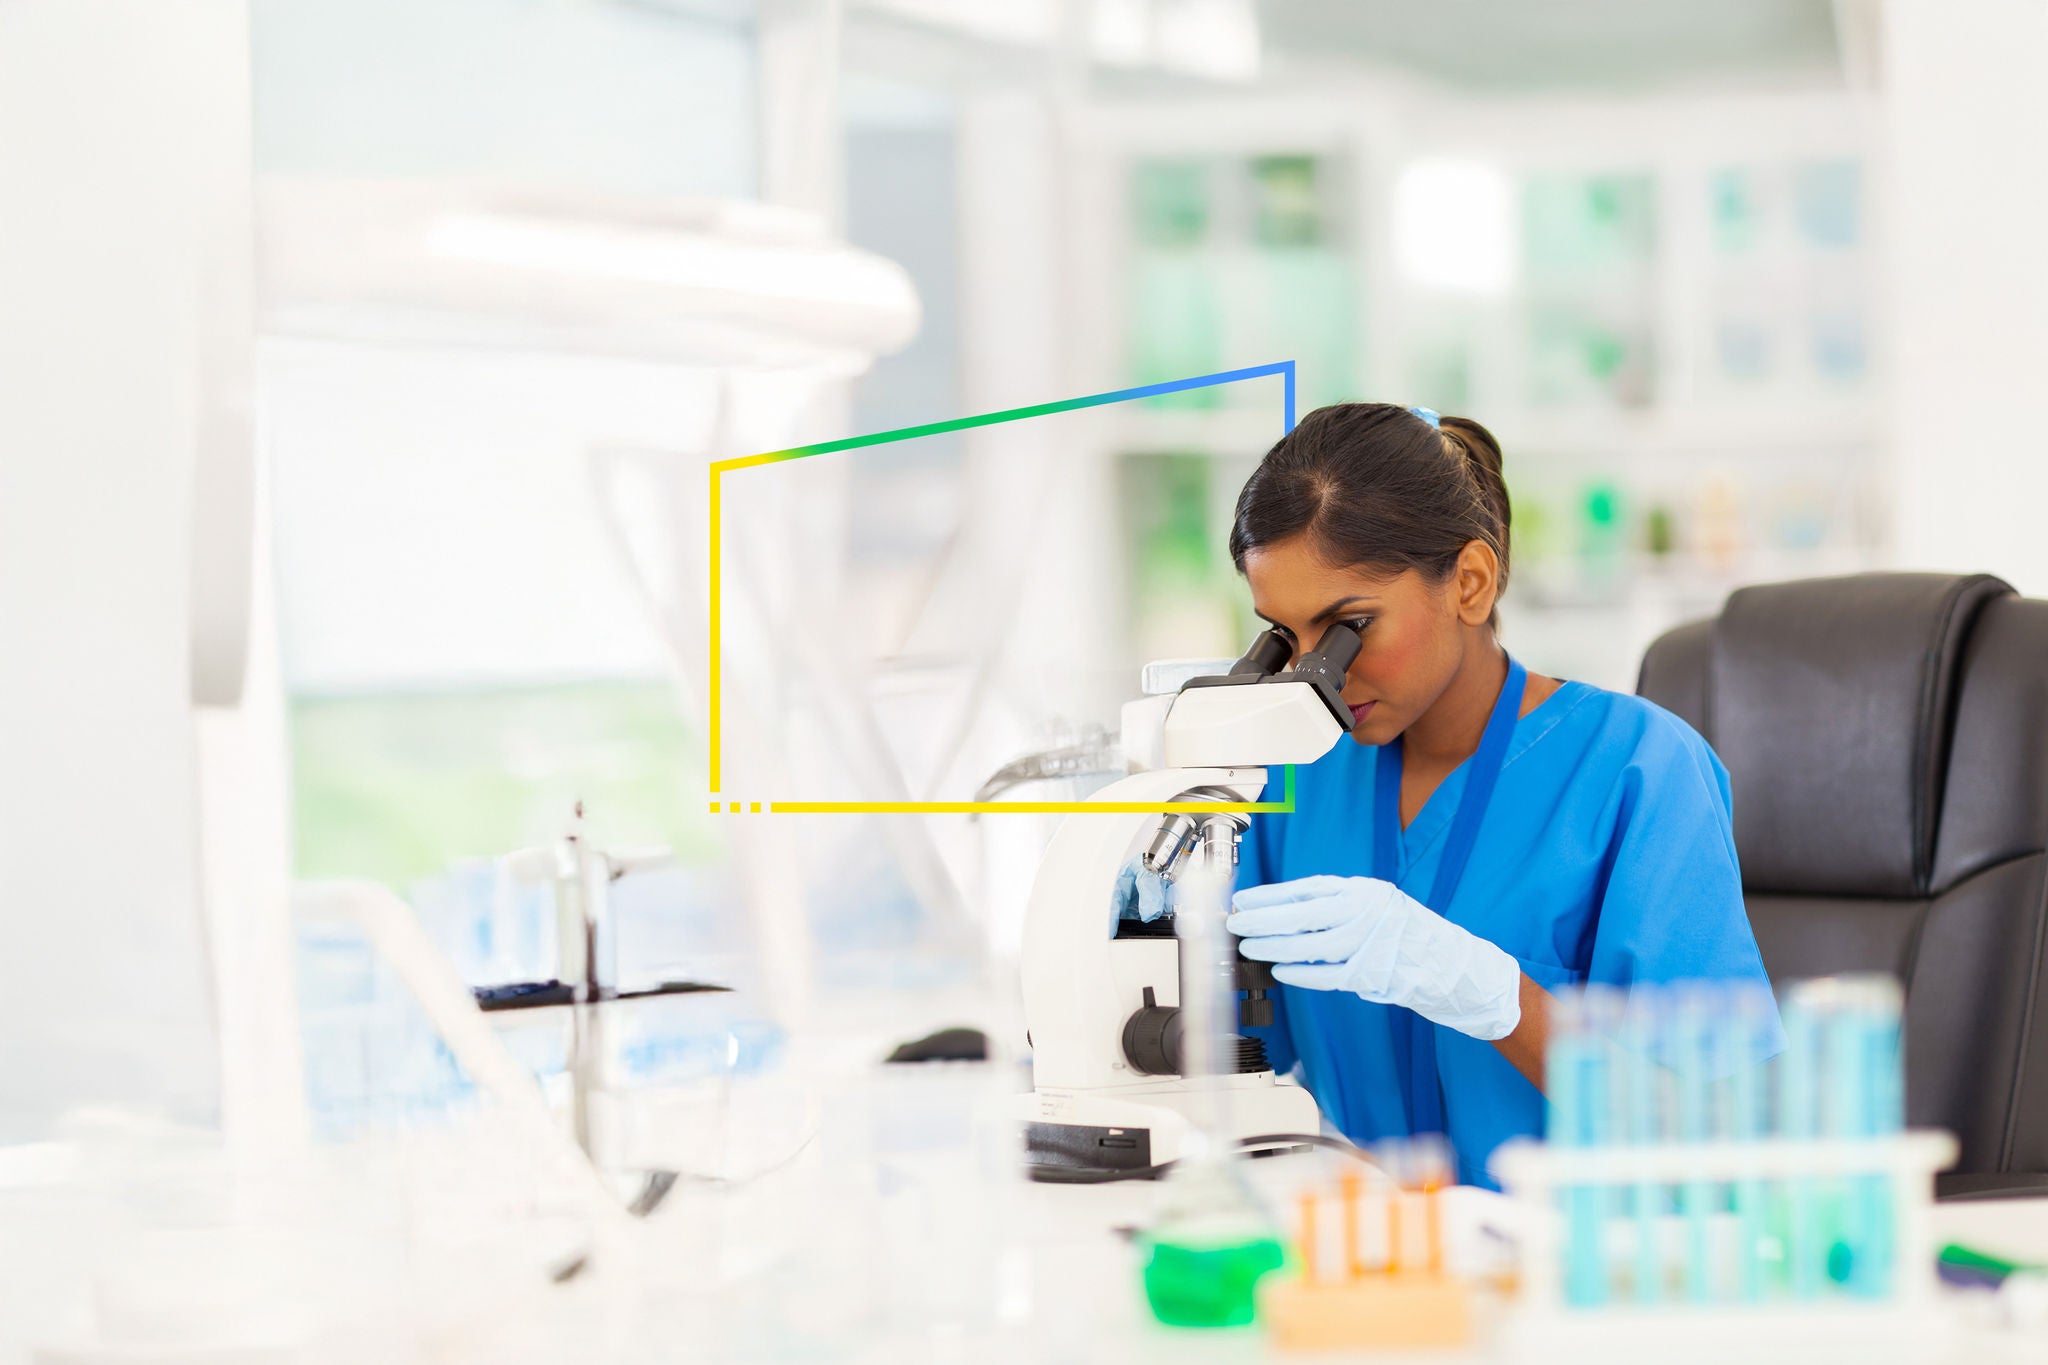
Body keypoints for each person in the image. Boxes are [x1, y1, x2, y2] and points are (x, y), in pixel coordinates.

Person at [1132, 402, 1783, 1187]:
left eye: (1349, 626)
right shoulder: (1291, 777)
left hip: (1574, 1270)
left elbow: (1724, 1129)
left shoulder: (1638, 771)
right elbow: (1214, 1055)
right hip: (1372, 1261)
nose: (1316, 675)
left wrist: (1496, 994)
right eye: (1285, 637)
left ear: (1469, 583)